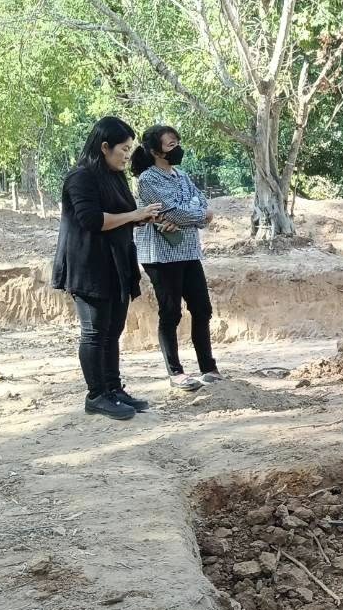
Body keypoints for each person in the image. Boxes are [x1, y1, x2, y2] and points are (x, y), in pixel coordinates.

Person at [52, 117, 164, 420]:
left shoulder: (115, 176)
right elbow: (92, 220)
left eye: (129, 149)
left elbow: (123, 214)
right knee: (94, 332)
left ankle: (113, 389)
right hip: (88, 265)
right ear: (104, 147)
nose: (128, 155)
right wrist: (133, 215)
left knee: (113, 330)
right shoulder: (81, 177)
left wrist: (142, 217)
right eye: (123, 149)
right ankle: (96, 395)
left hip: (116, 263)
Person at [132, 124, 219, 391]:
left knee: (202, 308)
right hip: (160, 255)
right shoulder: (148, 180)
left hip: (188, 251)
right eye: (171, 145)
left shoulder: (182, 175)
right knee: (170, 312)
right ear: (155, 150)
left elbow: (202, 205)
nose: (177, 149)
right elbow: (174, 212)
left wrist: (188, 216)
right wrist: (191, 215)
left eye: (177, 143)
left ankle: (208, 367)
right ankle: (176, 372)